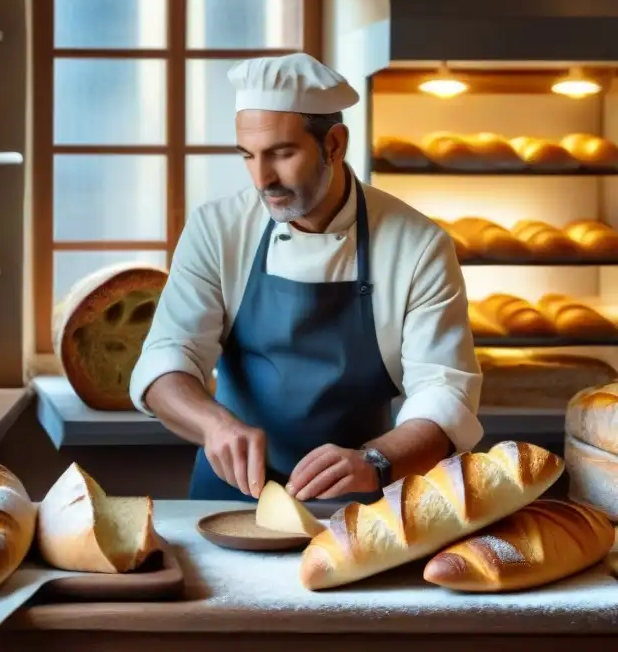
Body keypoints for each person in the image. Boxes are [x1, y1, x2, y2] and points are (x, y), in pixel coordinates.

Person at [128, 53, 483, 503]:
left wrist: (375, 460)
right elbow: (166, 357)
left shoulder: (418, 247)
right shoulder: (216, 230)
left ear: (334, 144)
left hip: (360, 503)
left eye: (281, 153)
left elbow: (444, 393)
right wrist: (214, 425)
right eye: (248, 156)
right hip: (230, 497)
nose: (263, 179)